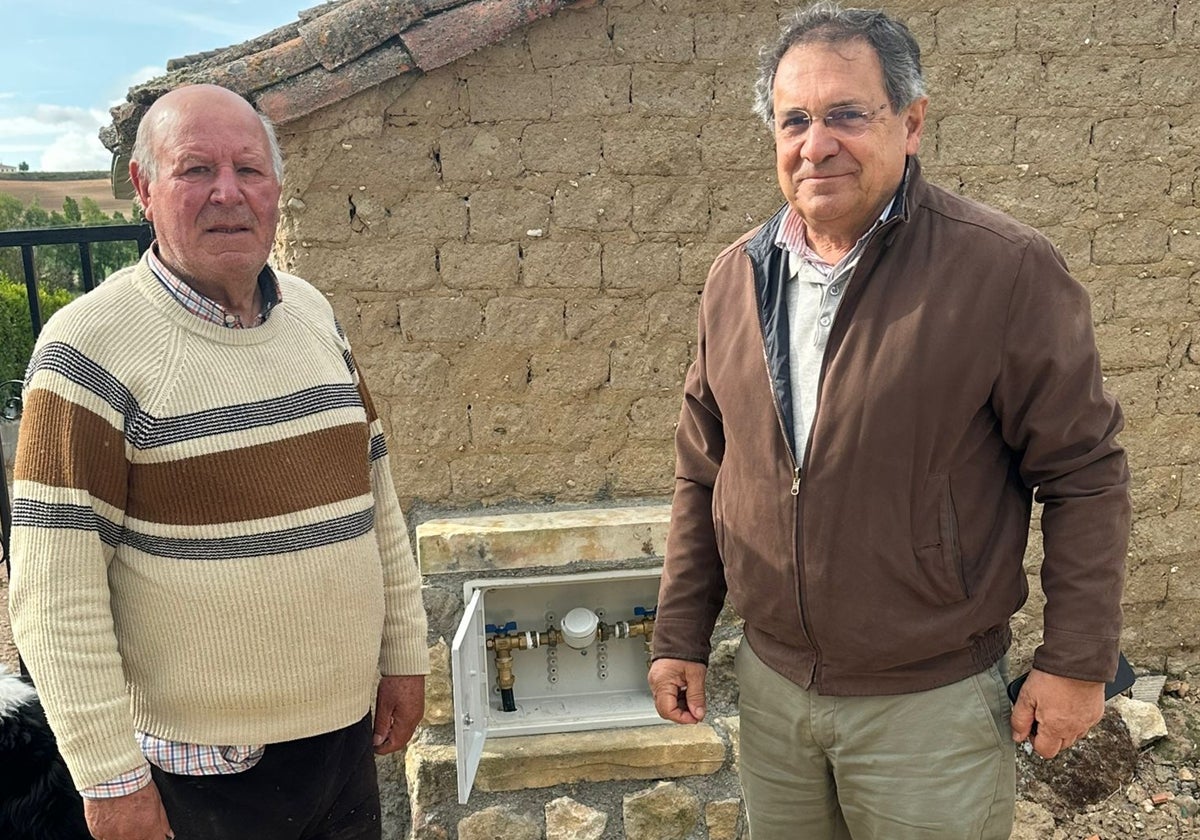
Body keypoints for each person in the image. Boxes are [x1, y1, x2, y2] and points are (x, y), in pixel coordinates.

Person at [647, 4, 1130, 839]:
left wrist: (1077, 660)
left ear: (910, 123)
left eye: (846, 114)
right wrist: (679, 632)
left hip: (928, 707)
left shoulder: (1001, 270)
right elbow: (704, 469)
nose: (816, 142)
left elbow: (1084, 471)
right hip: (773, 691)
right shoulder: (737, 278)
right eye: (794, 119)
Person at [8, 84, 429, 840]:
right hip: (199, 778)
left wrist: (404, 653)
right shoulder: (87, 352)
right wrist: (109, 780)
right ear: (143, 188)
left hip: (340, 748)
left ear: (276, 187)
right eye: (195, 169)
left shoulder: (312, 314)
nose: (227, 193)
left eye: (249, 170)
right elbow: (53, 596)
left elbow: (377, 501)